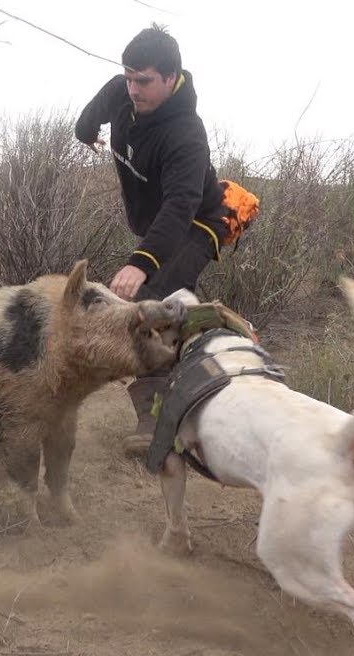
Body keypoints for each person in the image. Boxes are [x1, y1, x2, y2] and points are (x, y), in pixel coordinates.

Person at [75, 23, 231, 458]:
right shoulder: (121, 92)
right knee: (171, 307)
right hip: (158, 225)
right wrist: (86, 131)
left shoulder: (186, 133)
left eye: (143, 81)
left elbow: (181, 206)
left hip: (196, 225)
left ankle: (156, 417)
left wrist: (141, 261)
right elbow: (92, 114)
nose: (133, 89)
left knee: (146, 301)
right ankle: (195, 364)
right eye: (128, 78)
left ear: (170, 77)